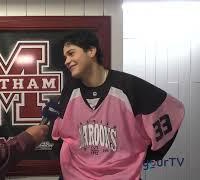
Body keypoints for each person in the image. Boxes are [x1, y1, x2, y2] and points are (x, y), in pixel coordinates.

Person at [48, 30, 185, 180]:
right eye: (65, 56)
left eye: (71, 53)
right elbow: (61, 134)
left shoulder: (128, 86)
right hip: (74, 176)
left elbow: (172, 112)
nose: (66, 61)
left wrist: (146, 154)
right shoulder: (70, 89)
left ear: (91, 51)